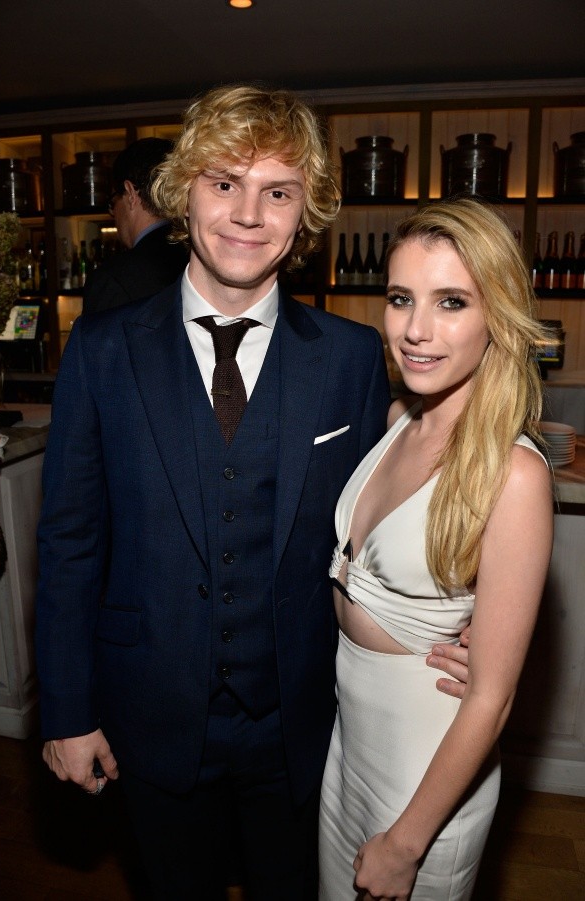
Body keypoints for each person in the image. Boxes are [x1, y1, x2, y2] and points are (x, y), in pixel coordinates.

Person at [36, 85, 469, 901]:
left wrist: (476, 613)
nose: (248, 213)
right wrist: (65, 708)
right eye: (223, 182)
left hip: (303, 723)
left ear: (306, 214)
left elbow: (413, 494)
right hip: (149, 716)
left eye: (278, 190)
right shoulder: (99, 351)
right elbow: (68, 541)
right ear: (183, 193)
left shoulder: (349, 357)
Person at [319, 197, 554, 900]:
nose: (415, 331)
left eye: (451, 301)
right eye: (400, 299)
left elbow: (491, 696)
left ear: (498, 317)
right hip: (348, 752)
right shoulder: (398, 419)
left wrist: (406, 842)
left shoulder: (514, 475)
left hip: (424, 783)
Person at [81, 137, 189, 314]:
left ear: (131, 194)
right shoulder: (203, 259)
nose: (113, 214)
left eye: (113, 203)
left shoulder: (114, 279)